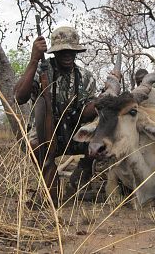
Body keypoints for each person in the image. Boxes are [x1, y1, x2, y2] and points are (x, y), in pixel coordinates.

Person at [14, 26, 97, 205]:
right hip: (47, 133)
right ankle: (50, 183)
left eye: (71, 51)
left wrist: (101, 104)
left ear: (76, 52)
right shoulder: (41, 71)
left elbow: (87, 111)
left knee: (104, 140)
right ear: (54, 52)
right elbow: (20, 97)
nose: (67, 54)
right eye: (62, 51)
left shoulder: (86, 76)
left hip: (75, 131)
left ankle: (82, 176)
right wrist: (33, 60)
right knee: (34, 144)